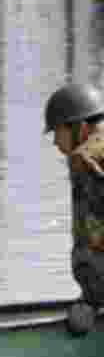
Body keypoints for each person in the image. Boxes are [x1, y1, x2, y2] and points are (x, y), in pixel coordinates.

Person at [44, 83, 104, 336]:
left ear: (80, 128)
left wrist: (91, 300)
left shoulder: (86, 160)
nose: (56, 141)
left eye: (58, 131)